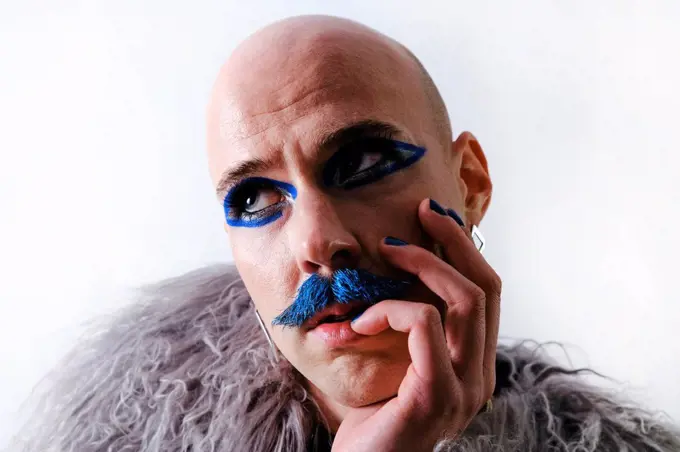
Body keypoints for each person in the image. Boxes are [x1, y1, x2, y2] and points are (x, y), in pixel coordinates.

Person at [9, 14, 680, 452]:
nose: (315, 241)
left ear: (469, 182)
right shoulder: (113, 431)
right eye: (256, 197)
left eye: (360, 164)